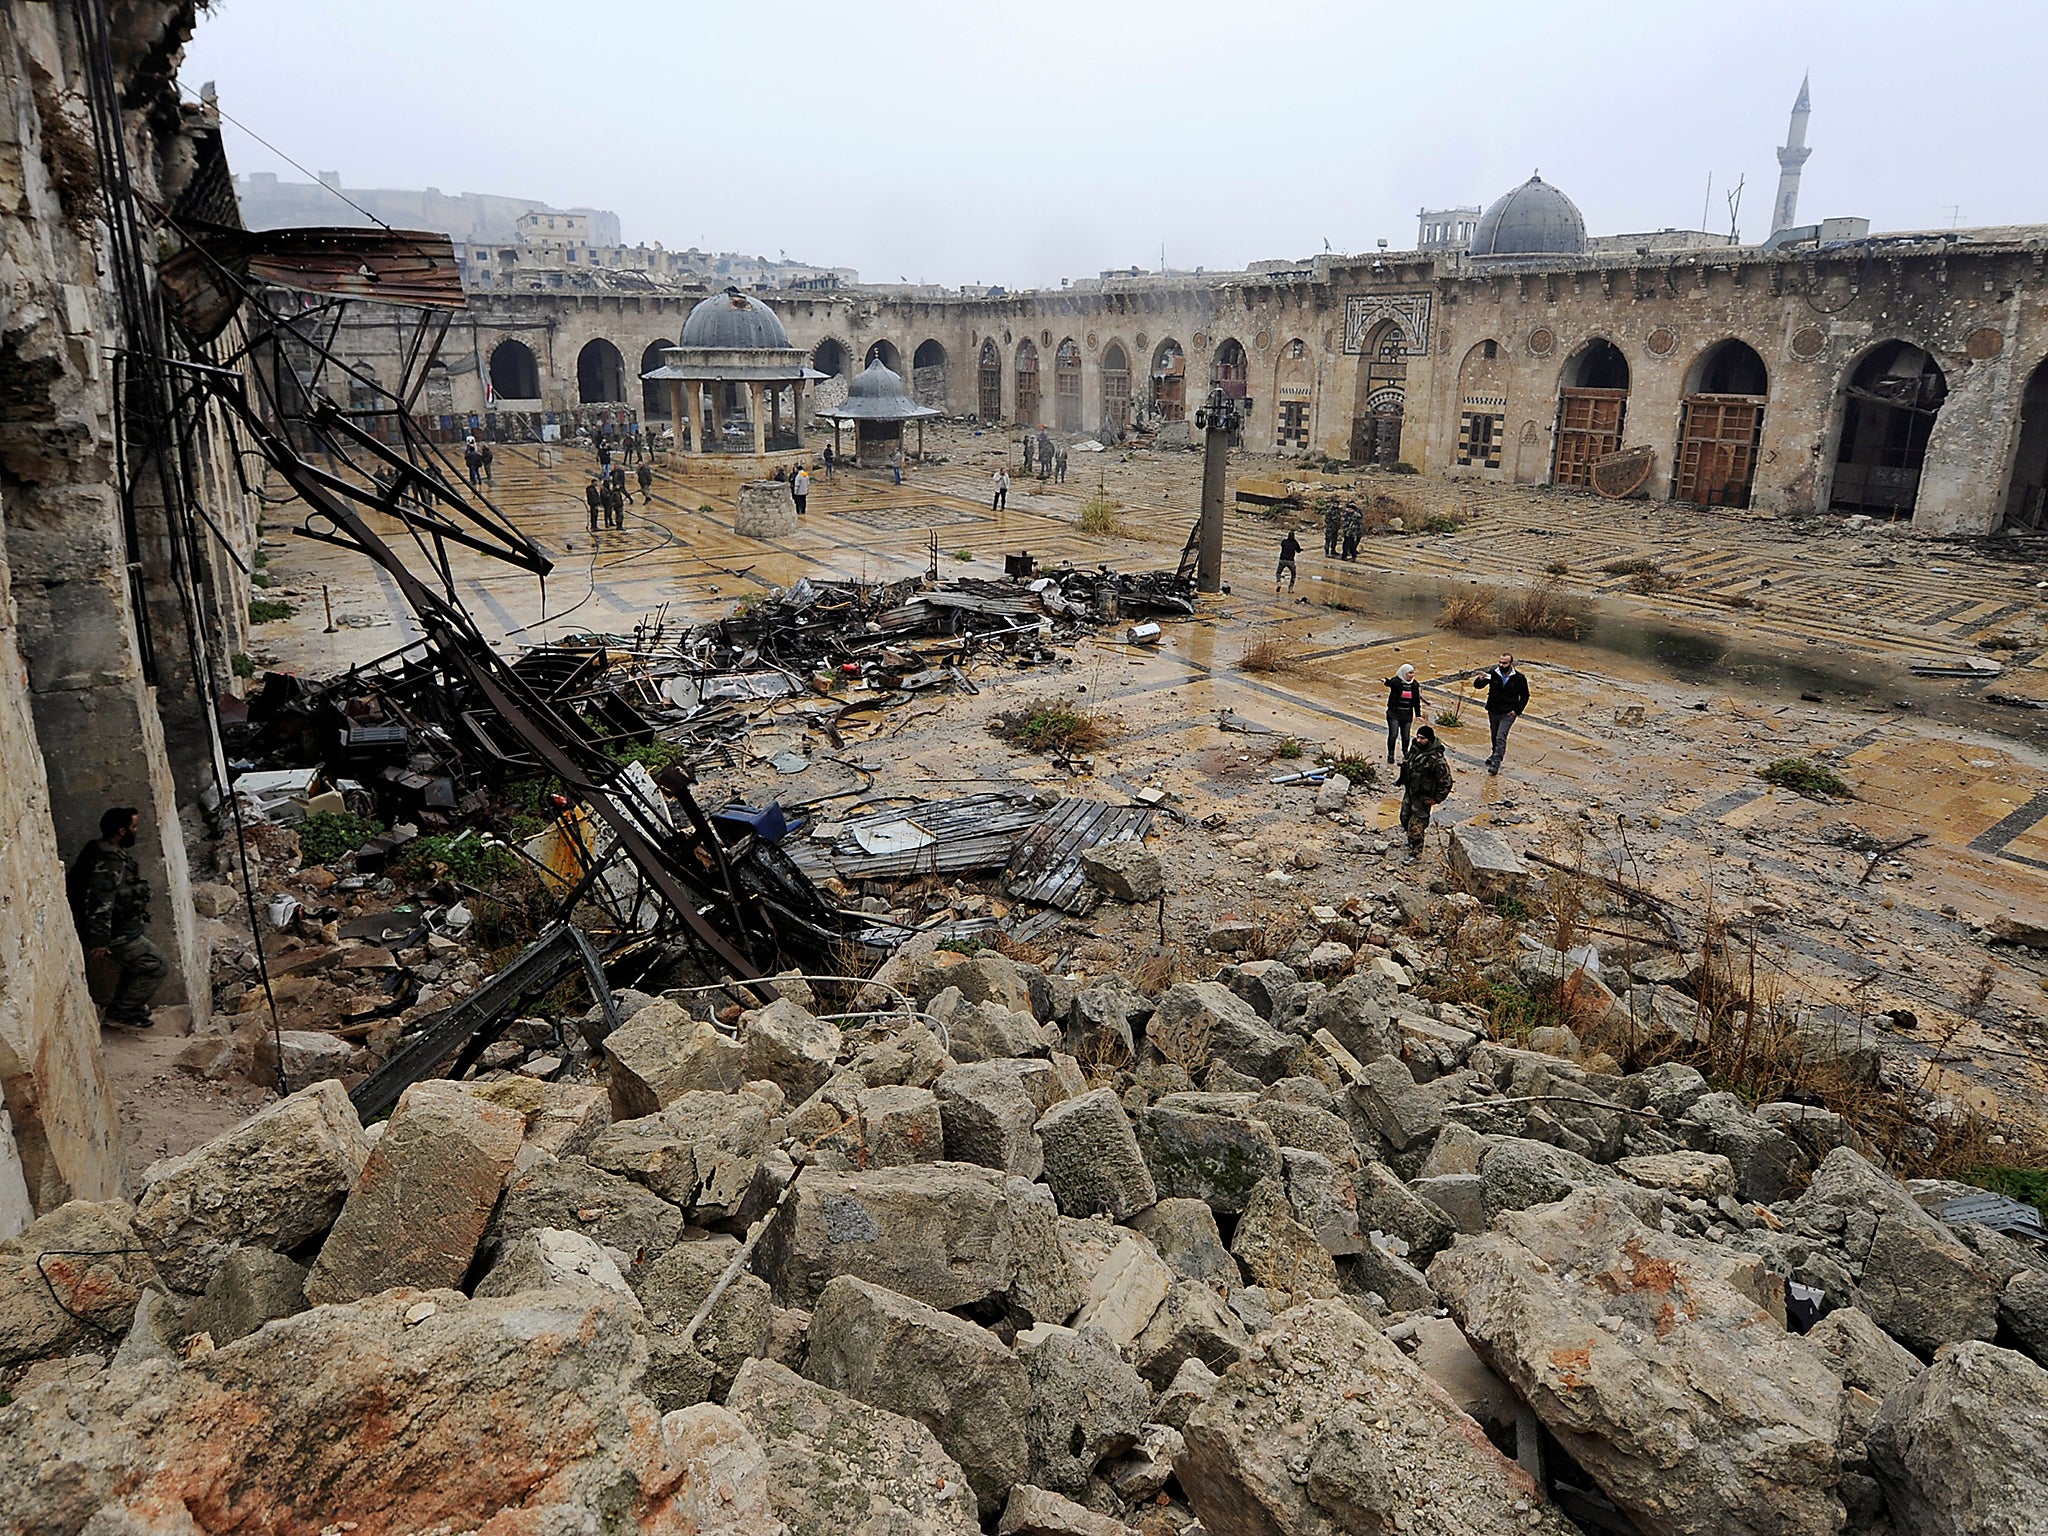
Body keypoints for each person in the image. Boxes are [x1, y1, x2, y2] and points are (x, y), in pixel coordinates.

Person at [67, 807, 165, 1027]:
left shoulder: (100, 849)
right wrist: (99, 941)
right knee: (157, 964)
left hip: (121, 928)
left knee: (137, 966)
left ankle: (126, 1010)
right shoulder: (110, 860)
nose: (136, 831)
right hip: (117, 933)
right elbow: (101, 901)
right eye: (134, 827)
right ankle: (123, 1012)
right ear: (122, 831)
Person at [1395, 726, 1453, 856]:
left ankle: (1416, 853)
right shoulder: (1415, 749)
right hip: (1410, 792)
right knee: (1404, 818)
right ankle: (1411, 840)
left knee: (1416, 826)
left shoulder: (1437, 760)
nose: (1419, 740)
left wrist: (1437, 799)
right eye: (1418, 737)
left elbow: (1446, 782)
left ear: (1430, 740)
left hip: (1423, 798)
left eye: (1423, 738)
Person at [1472, 652, 1530, 775]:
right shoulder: (1493, 673)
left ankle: (1496, 762)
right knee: (1494, 735)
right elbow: (1478, 686)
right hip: (1493, 710)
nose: (1501, 665)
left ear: (1511, 663)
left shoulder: (1519, 678)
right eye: (1500, 662)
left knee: (1500, 737)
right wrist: (1479, 679)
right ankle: (1494, 754)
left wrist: (1517, 711)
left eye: (1504, 663)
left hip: (1508, 712)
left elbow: (1525, 695)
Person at [1384, 663, 1423, 763]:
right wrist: (1385, 681)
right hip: (1394, 714)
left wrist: (1418, 714)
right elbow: (1390, 683)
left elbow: (1416, 701)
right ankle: (1391, 754)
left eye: (1413, 673)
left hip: (1407, 715)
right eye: (1410, 673)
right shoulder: (1396, 682)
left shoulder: (1415, 685)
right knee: (1393, 734)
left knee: (1406, 735)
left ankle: (1405, 752)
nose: (1412, 675)